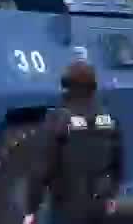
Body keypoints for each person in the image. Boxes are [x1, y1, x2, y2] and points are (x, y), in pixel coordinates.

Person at [24, 48, 123, 224]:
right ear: (94, 86)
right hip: (98, 205)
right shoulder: (108, 119)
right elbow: (118, 163)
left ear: (66, 86)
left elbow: (41, 169)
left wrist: (31, 209)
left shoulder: (58, 120)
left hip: (66, 208)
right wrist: (111, 195)